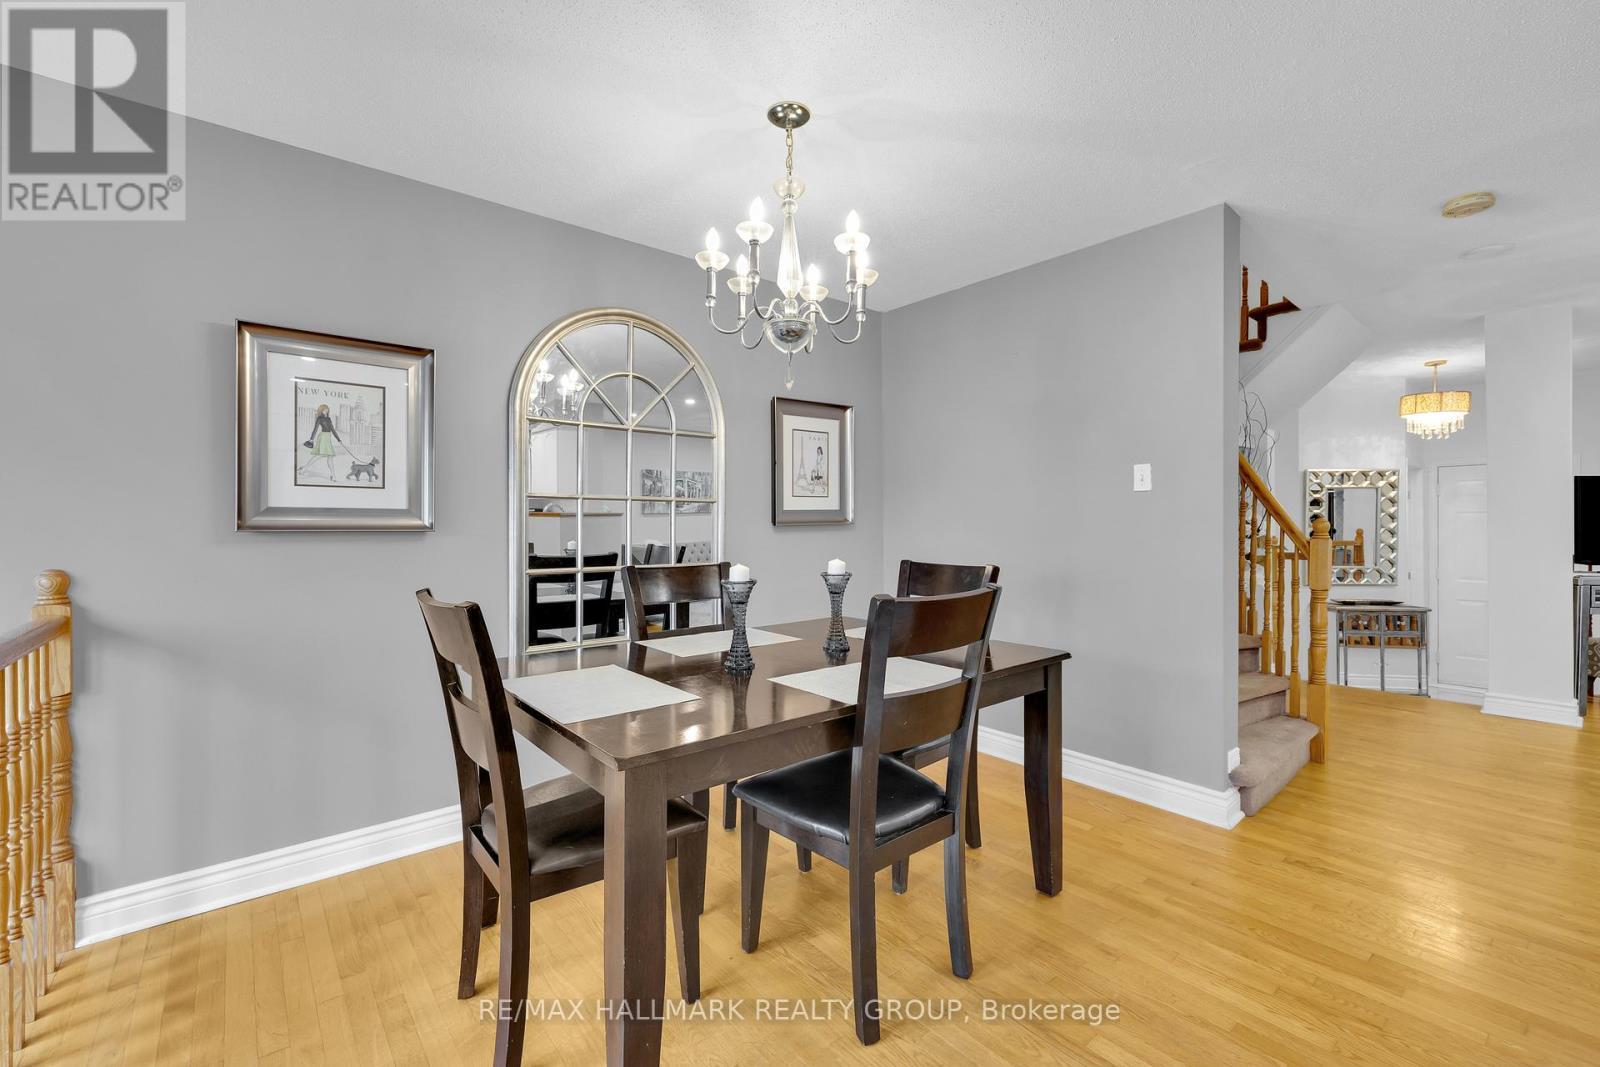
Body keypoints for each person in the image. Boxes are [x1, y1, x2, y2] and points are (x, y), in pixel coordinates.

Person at [300, 404, 342, 480]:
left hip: (328, 438)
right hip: (322, 437)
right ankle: (304, 468)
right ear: (321, 410)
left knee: (330, 457)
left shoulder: (329, 419)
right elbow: (315, 429)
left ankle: (333, 475)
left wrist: (339, 439)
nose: (326, 410)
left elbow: (332, 430)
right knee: (319, 455)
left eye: (327, 409)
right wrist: (311, 439)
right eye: (325, 409)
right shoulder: (319, 418)